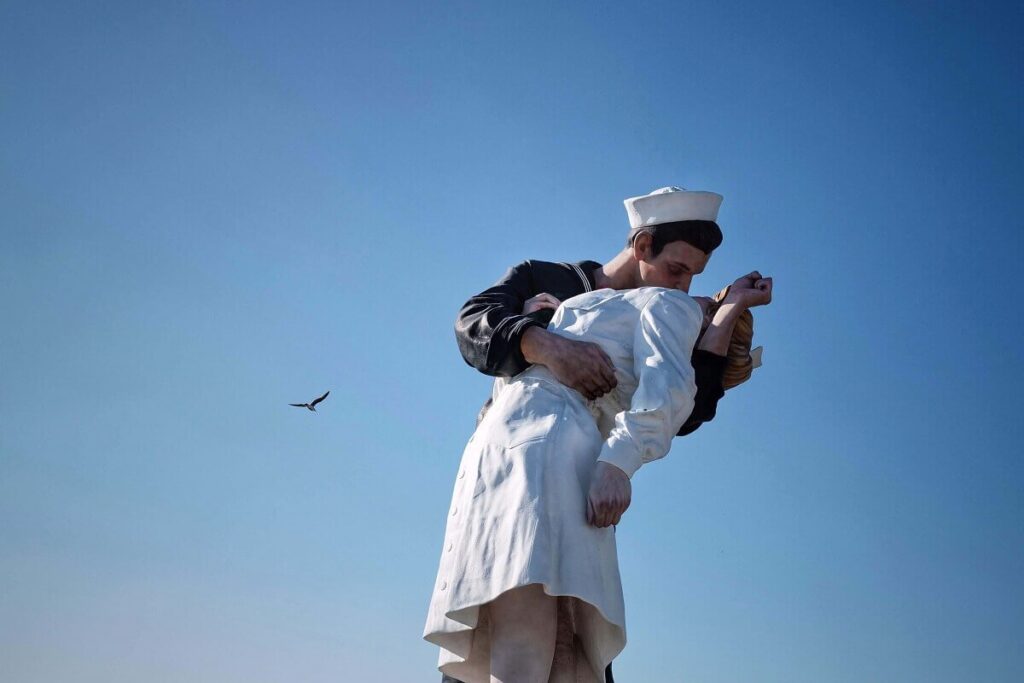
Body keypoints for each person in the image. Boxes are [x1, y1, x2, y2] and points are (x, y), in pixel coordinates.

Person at [425, 187, 773, 682]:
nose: (684, 286)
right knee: (525, 629)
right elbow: (473, 325)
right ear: (643, 244)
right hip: (528, 465)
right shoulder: (553, 281)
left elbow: (686, 403)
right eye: (677, 270)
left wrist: (728, 310)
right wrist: (543, 341)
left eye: (694, 278)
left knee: (553, 644)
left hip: (545, 465)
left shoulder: (652, 305)